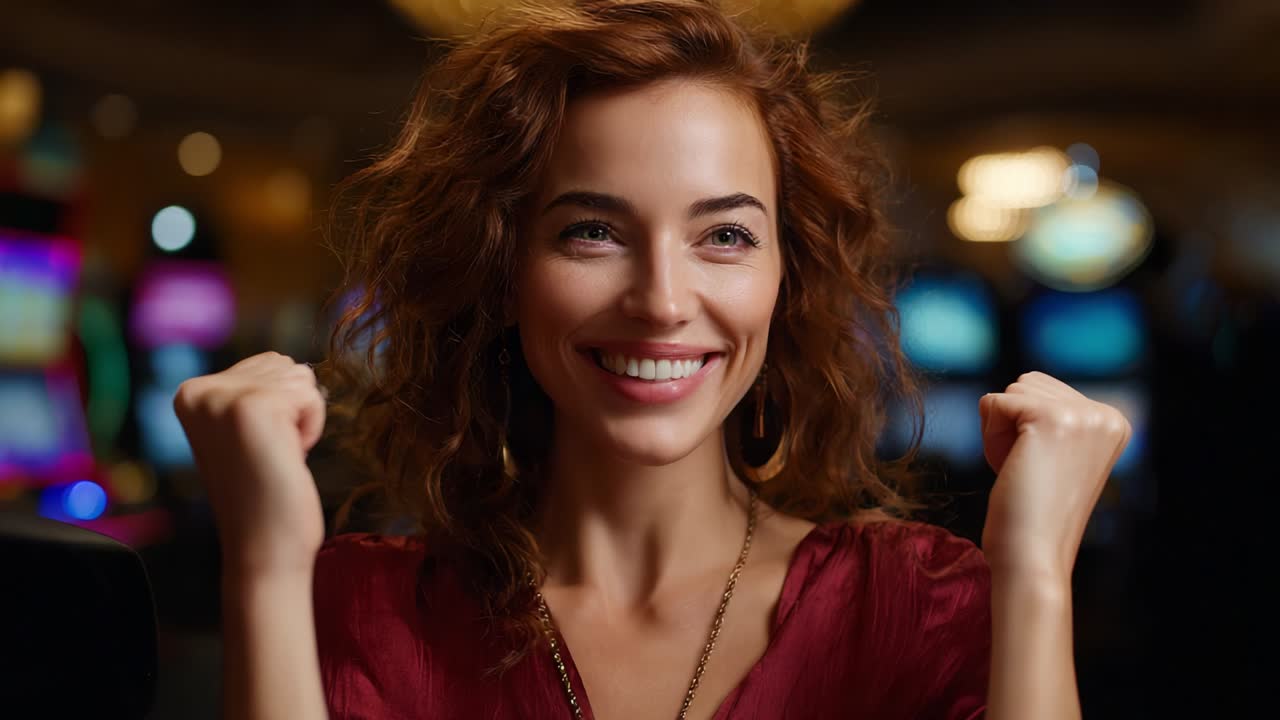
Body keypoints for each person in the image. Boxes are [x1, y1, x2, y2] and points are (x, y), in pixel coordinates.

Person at [173, 1, 1132, 718]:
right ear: (503, 272)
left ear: (785, 276)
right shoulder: (361, 606)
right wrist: (261, 565)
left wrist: (1038, 574)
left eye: (724, 237)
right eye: (592, 231)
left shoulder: (917, 603)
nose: (665, 301)